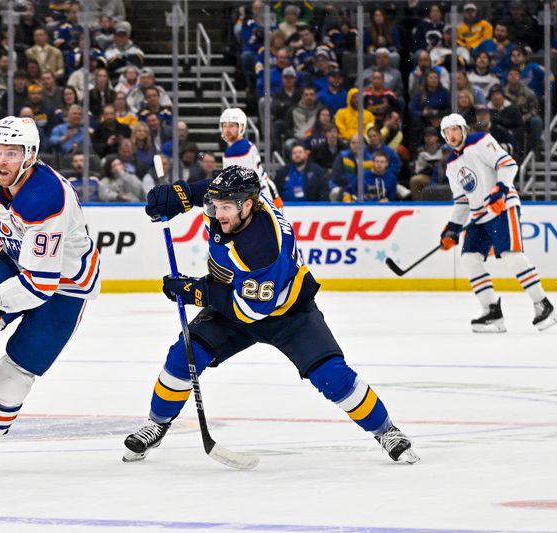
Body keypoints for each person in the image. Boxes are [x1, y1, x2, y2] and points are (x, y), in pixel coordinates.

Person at [123, 166, 420, 465]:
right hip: (234, 296)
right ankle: (157, 423)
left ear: (247, 205)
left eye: (225, 207)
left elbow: (249, 311)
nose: (218, 213)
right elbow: (213, 186)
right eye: (216, 204)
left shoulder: (262, 247)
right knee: (183, 356)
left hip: (287, 313)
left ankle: (386, 431)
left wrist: (196, 291)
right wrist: (182, 194)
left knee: (333, 377)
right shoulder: (235, 204)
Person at [0, 116, 101, 472]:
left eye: (12, 153)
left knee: (14, 374)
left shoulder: (46, 199)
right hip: (14, 261)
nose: (1, 161)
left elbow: (40, 284)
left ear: (30, 155)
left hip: (64, 286)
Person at [438, 113, 554, 333]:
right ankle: (492, 311)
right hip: (479, 216)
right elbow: (462, 201)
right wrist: (452, 228)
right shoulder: (452, 163)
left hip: (501, 207)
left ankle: (543, 304)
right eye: (447, 132)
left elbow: (508, 165)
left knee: (511, 255)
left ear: (463, 129)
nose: (451, 135)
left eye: (455, 129)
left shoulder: (480, 140)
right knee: (469, 259)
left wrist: (500, 190)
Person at [219, 107, 280, 205]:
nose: (227, 129)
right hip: (264, 198)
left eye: (231, 126)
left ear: (241, 127)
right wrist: (275, 197)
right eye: (224, 126)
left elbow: (236, 185)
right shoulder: (247, 144)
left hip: (254, 202)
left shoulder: (237, 150)